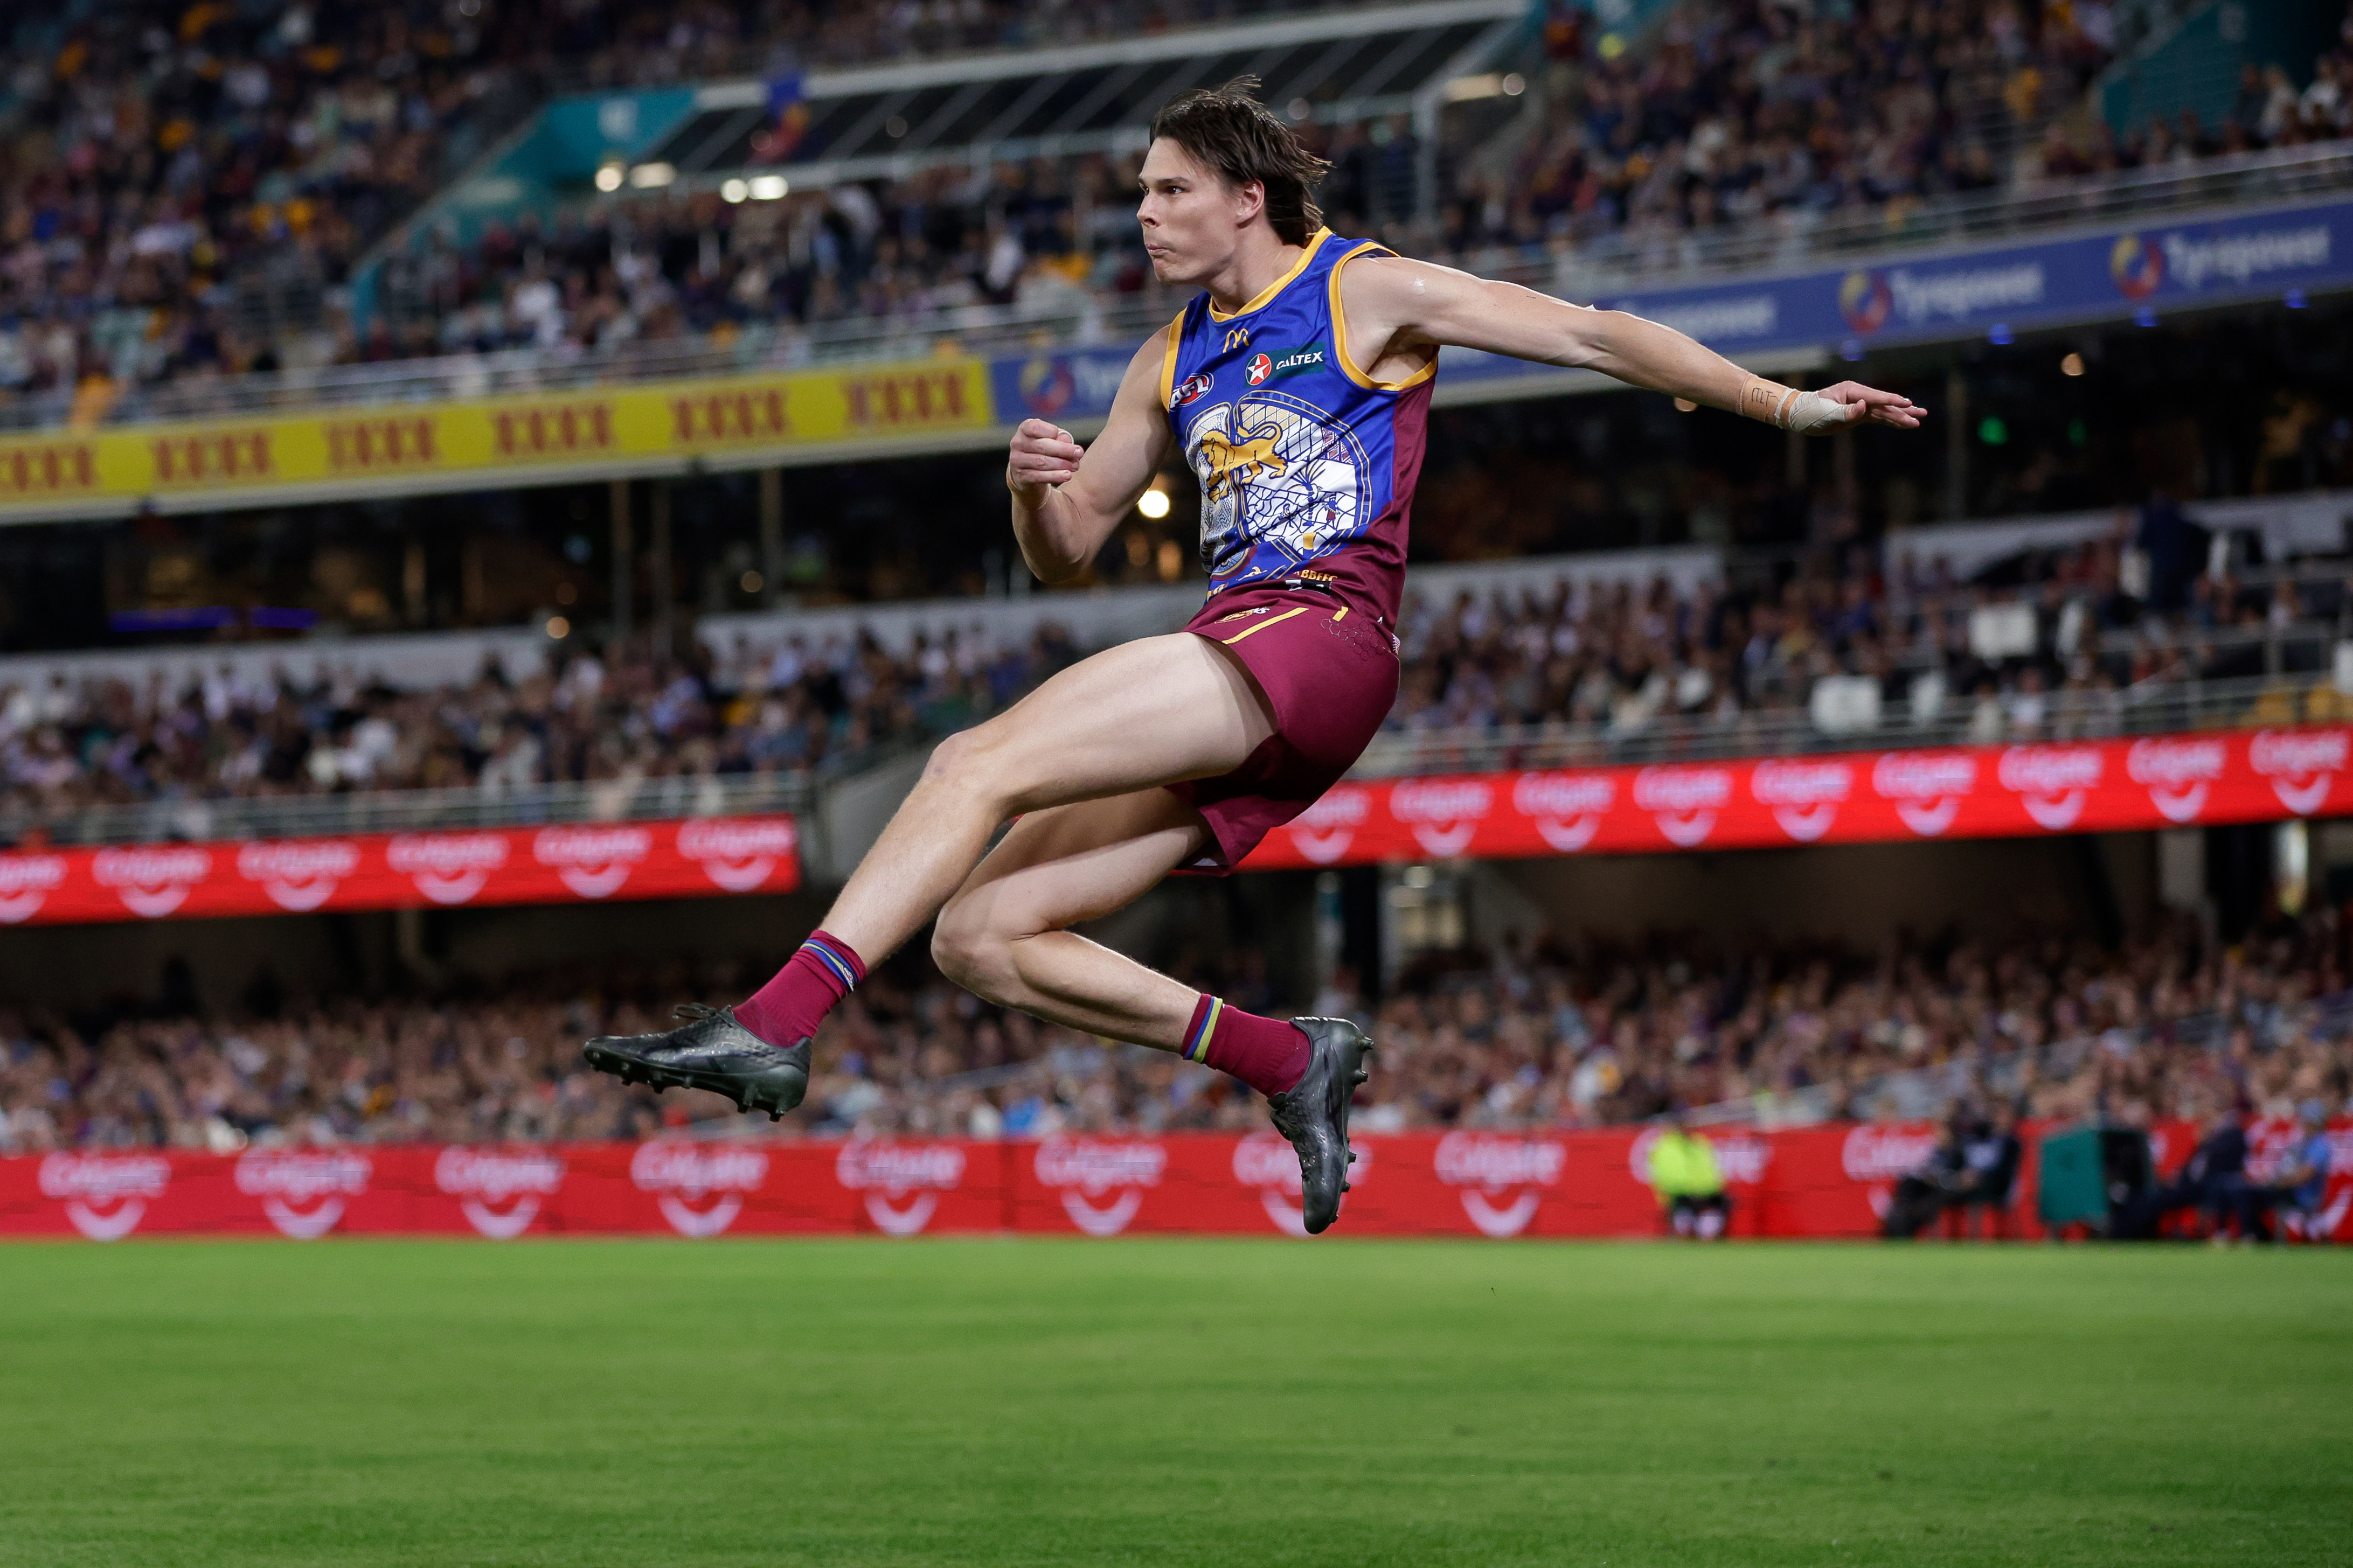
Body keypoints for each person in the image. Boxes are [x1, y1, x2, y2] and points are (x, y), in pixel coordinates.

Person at [581, 79, 1924, 1234]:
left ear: (1242, 195)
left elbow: (1587, 330)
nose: (1145, 214)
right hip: (1250, 666)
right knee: (980, 936)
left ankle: (774, 1019)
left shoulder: (1362, 284)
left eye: (1167, 190)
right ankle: (1289, 1056)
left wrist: (1782, 401)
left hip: (1320, 634)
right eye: (1143, 193)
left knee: (971, 759)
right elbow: (1071, 547)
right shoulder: (1166, 359)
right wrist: (1025, 492)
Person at [2241, 1100, 2336, 1244]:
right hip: (2293, 1190)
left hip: (2306, 1195)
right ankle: (2256, 1235)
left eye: (2307, 1120)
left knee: (2255, 1195)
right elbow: (2286, 1167)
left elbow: (2304, 1176)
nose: (2304, 1124)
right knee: (2250, 1193)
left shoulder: (2321, 1144)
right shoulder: (2303, 1142)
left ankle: (2257, 1236)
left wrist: (2279, 1182)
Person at [1648, 1112, 1730, 1239]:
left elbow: (1713, 1169)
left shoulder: (1701, 1143)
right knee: (1683, 1210)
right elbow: (1666, 1174)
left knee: (1721, 1204)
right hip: (1680, 1192)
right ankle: (1686, 1232)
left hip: (1705, 1191)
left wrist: (1709, 1188)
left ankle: (1707, 1234)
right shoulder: (1667, 1146)